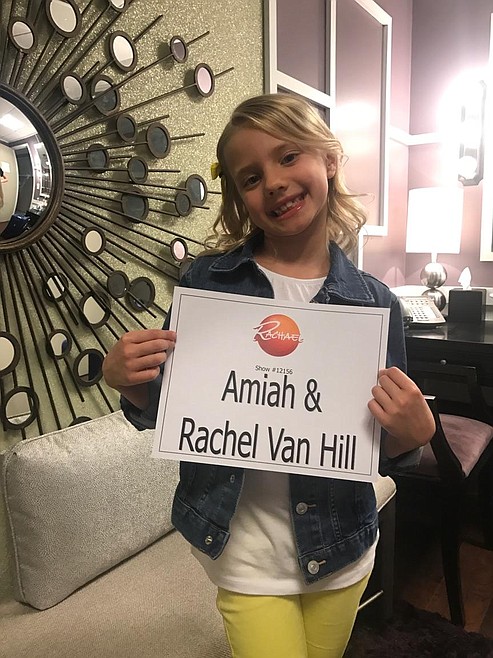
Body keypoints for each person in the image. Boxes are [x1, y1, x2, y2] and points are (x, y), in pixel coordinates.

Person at [102, 93, 435, 658]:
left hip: (343, 546)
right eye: (251, 177)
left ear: (329, 159)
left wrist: (414, 435)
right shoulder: (208, 282)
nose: (274, 183)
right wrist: (129, 381)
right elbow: (180, 410)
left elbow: (377, 445)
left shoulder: (376, 304)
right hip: (244, 552)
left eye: (288, 157)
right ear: (240, 197)